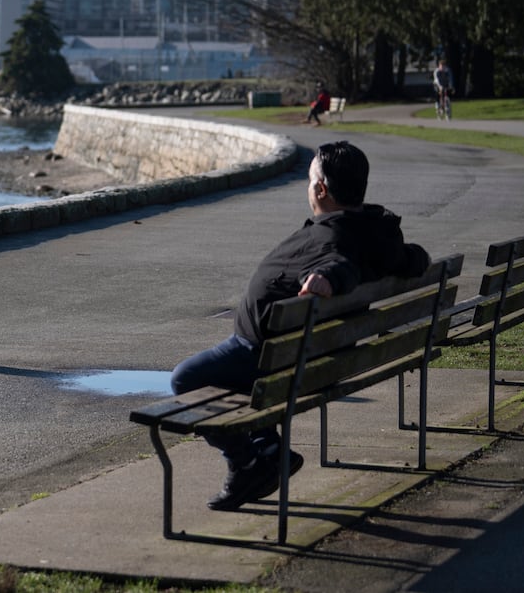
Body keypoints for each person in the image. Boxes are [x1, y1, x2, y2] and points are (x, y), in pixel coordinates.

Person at [169, 140, 429, 511]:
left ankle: (248, 463)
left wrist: (328, 278)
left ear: (321, 189)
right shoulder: (372, 232)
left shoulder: (334, 238)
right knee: (229, 380)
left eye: (309, 181)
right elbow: (414, 258)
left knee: (185, 379)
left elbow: (341, 264)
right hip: (302, 356)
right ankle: (268, 448)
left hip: (268, 357)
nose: (308, 188)